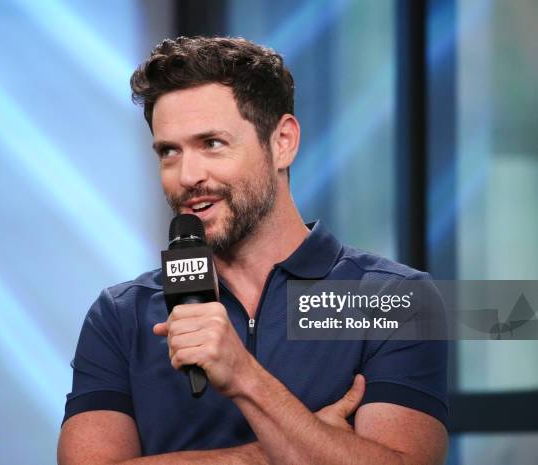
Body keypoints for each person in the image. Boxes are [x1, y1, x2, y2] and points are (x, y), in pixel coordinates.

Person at [58, 36, 448, 465]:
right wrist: (275, 452)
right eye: (169, 151)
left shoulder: (394, 298)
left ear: (282, 142)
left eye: (212, 143)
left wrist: (244, 376)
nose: (188, 176)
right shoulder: (120, 314)